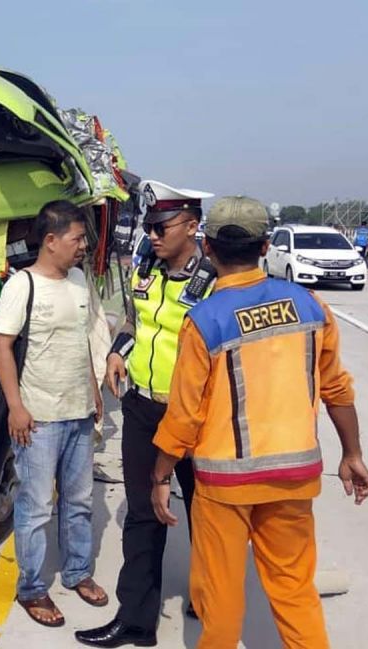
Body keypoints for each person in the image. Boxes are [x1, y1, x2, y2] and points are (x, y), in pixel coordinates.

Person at [147, 195, 368, 648]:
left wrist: (160, 473)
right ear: (266, 245)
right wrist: (352, 454)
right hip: (293, 479)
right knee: (294, 592)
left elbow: (185, 412)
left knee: (221, 599)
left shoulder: (205, 319)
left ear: (207, 248)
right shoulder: (310, 306)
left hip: (224, 484)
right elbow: (337, 389)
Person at [75, 180, 214, 648]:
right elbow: (135, 320)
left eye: (162, 226)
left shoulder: (214, 278)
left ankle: (210, 599)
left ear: (192, 225)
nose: (152, 234)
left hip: (197, 416)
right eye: (148, 226)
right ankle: (136, 620)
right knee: (141, 514)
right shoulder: (146, 266)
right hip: (142, 407)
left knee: (206, 513)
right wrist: (118, 351)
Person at [0, 200, 107, 627]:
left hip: (78, 413)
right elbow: (4, 347)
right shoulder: (22, 285)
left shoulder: (79, 280)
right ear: (50, 240)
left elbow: (81, 342)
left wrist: (93, 390)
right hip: (38, 418)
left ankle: (78, 572)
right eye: (77, 238)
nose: (83, 245)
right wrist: (17, 407)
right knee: (36, 507)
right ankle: (32, 588)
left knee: (78, 501)